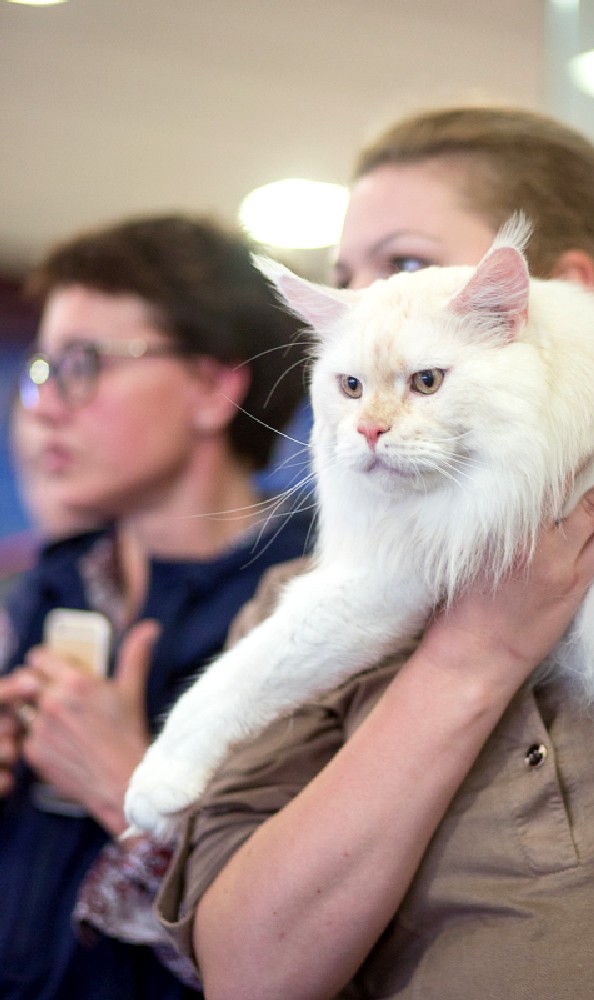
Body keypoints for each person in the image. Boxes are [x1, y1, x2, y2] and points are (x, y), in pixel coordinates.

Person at [152, 107, 594, 1000]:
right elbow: (249, 975)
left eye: (403, 266)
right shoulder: (290, 603)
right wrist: (478, 646)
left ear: (547, 295)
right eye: (343, 281)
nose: (364, 307)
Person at [0, 213, 310, 1000]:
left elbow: (316, 943)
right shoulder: (58, 584)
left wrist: (127, 786)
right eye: (43, 368)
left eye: (84, 364)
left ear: (212, 387)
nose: (44, 405)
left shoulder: (316, 601)